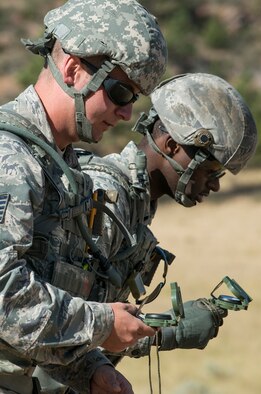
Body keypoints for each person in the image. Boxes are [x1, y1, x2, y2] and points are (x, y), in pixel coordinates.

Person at [34, 73, 257, 392]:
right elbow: (53, 324)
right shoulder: (106, 203)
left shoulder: (137, 207)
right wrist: (167, 331)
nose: (216, 185)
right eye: (211, 171)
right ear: (172, 145)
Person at [0, 0, 168, 392]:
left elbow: (42, 290)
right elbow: (4, 296)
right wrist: (103, 324)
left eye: (135, 98)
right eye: (121, 91)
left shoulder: (60, 166)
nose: (127, 113)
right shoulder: (10, 157)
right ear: (74, 70)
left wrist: (89, 369)